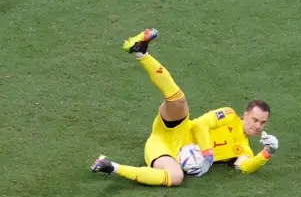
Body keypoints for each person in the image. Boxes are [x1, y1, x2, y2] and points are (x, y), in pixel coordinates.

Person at [90, 28, 279, 186]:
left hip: (162, 149)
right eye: (255, 119)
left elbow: (246, 167)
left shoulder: (243, 149)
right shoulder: (229, 115)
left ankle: (111, 166)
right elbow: (199, 125)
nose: (257, 125)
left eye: (262, 123)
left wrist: (267, 153)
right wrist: (207, 153)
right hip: (177, 131)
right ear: (245, 115)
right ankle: (140, 52)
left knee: (176, 177)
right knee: (178, 100)